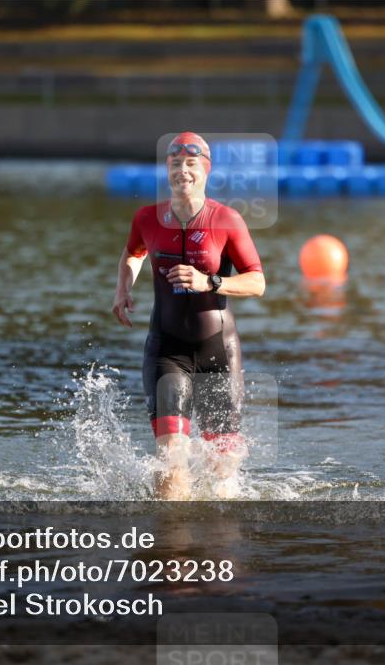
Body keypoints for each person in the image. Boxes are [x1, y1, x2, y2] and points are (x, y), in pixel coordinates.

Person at [112, 132, 266, 500]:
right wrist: (122, 290)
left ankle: (216, 549)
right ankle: (173, 549)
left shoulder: (226, 219)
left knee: (223, 477)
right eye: (175, 163)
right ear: (167, 170)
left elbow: (257, 282)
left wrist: (209, 281)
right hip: (167, 350)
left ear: (206, 171)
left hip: (218, 353)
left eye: (191, 164)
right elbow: (133, 254)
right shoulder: (147, 218)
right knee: (170, 464)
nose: (183, 170)